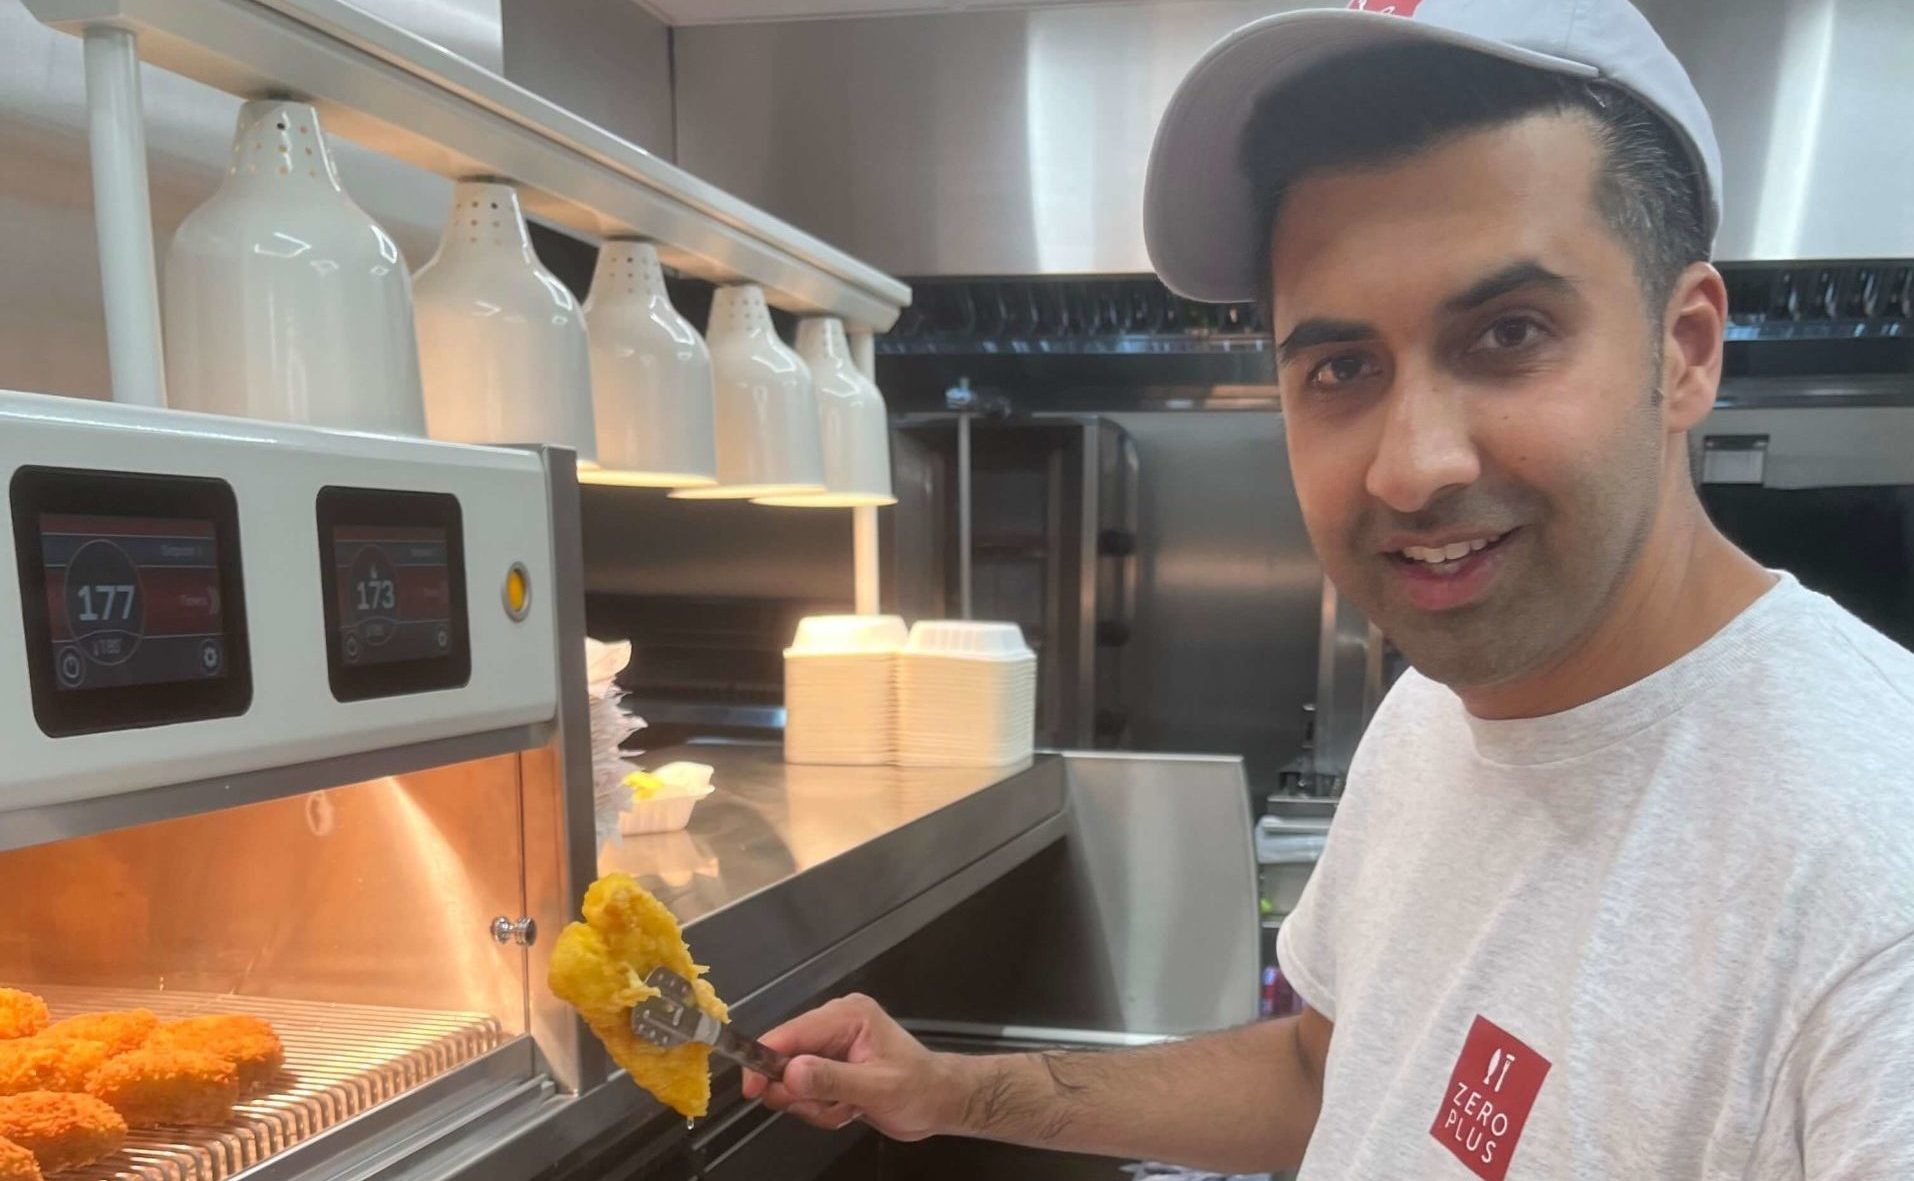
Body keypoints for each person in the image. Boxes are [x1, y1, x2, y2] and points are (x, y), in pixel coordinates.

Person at [744, 1, 1914, 1176]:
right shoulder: (1434, 713)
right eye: (1341, 366)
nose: (1413, 465)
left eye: (1508, 334)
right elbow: (1327, 1071)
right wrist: (952, 1087)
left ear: (1687, 348)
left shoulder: (1870, 871)